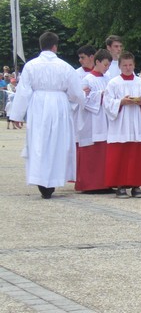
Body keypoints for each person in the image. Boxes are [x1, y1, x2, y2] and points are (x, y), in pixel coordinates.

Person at [9, 32, 85, 199]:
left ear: (41, 45)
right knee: (58, 142)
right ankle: (52, 180)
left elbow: (23, 92)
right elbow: (75, 93)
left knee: (39, 141)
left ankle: (41, 179)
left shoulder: (31, 66)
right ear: (55, 47)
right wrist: (82, 100)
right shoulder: (65, 66)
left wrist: (17, 115)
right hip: (59, 105)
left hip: (38, 104)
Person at [103, 51, 141, 198]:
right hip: (120, 124)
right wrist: (121, 102)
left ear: (134, 65)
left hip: (136, 123)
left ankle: (136, 185)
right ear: (119, 66)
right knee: (120, 155)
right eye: (124, 65)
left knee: (135, 155)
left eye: (130, 64)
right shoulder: (113, 83)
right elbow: (107, 103)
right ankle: (120, 185)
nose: (127, 67)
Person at [75, 49, 113, 193]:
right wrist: (101, 95)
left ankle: (105, 183)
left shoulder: (108, 78)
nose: (107, 68)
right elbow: (82, 99)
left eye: (108, 65)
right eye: (105, 65)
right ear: (97, 62)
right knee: (92, 152)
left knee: (104, 152)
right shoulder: (87, 79)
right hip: (91, 119)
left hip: (105, 119)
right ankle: (90, 184)